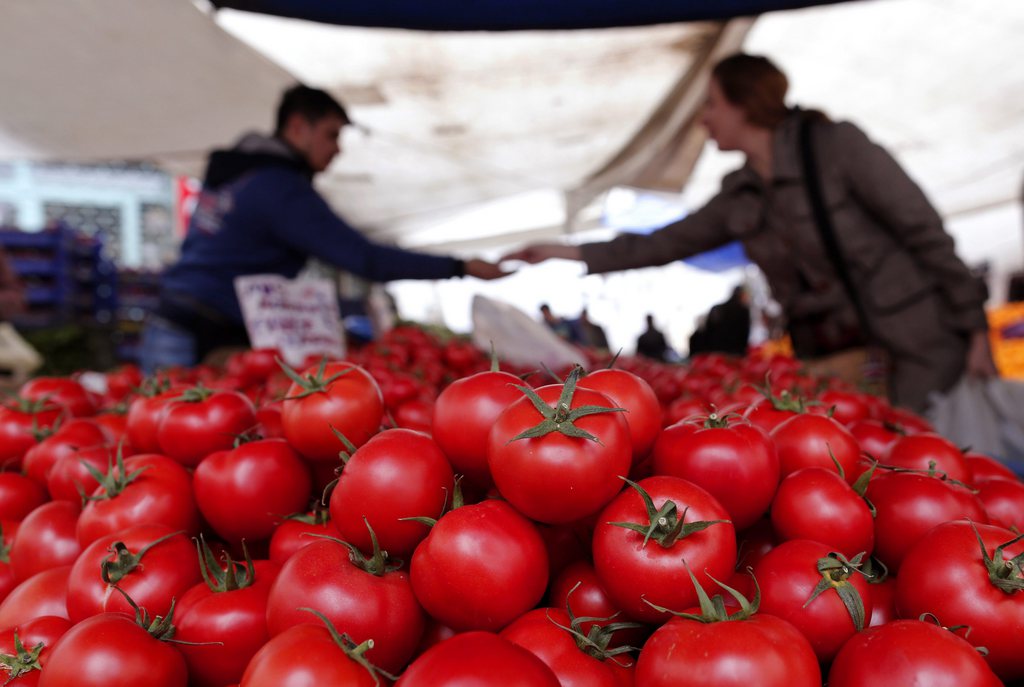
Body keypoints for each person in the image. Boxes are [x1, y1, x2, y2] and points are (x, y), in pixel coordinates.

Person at [503, 54, 996, 412]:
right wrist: (563, 252)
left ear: (746, 104)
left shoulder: (835, 147)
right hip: (836, 358)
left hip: (915, 345)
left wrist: (974, 328)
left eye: (712, 104)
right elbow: (663, 243)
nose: (703, 119)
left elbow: (925, 232)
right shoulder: (740, 192)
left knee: (928, 456)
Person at [142, 85, 504, 372]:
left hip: (180, 319)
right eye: (332, 135)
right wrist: (460, 267)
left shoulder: (239, 170)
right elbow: (364, 258)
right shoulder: (280, 188)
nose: (337, 150)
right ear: (298, 127)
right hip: (200, 331)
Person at [701, 285, 751, 357]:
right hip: (734, 354)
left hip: (714, 352)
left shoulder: (717, 308)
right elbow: (744, 334)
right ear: (742, 295)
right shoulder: (743, 311)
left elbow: (707, 331)